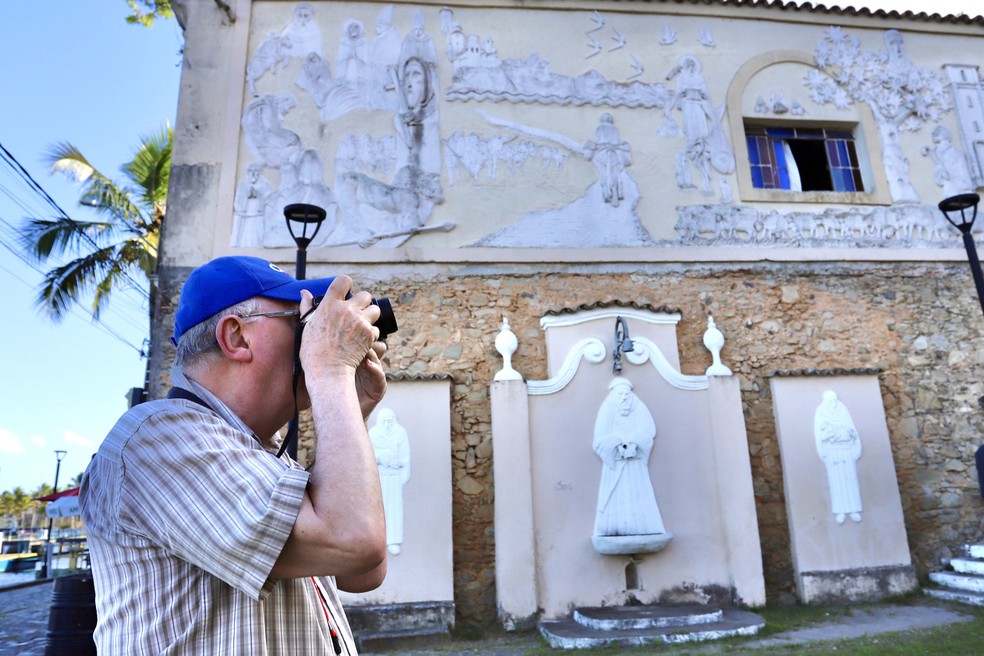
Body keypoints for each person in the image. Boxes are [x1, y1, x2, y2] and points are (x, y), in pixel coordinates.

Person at [79, 255, 388, 654]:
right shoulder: (160, 438)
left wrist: (351, 410)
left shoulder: (262, 456)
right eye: (302, 320)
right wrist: (330, 372)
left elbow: (363, 572)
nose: (315, 333)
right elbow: (354, 541)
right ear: (237, 337)